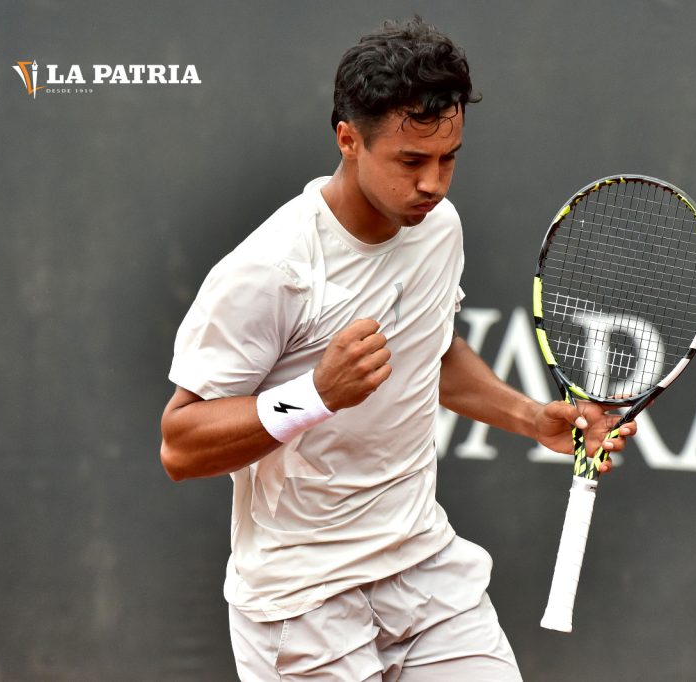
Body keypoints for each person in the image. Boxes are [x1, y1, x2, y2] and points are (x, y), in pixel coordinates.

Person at [159, 17, 635, 681]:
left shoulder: (438, 229)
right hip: (303, 603)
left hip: (423, 571)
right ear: (348, 140)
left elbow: (430, 353)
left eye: (449, 159)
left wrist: (531, 418)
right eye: (411, 161)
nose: (433, 184)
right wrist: (315, 396)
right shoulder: (271, 269)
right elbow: (181, 446)